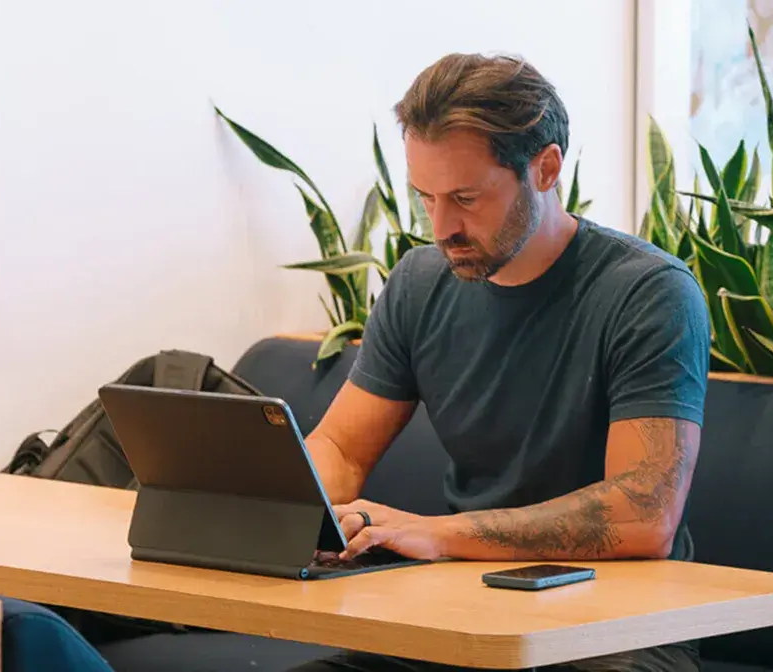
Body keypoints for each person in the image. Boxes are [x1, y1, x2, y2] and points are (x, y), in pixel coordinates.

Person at [290, 52, 711, 672]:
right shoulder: (418, 283)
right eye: (425, 197)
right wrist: (294, 518)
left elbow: (644, 514)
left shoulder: (650, 293)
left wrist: (435, 535)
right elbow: (344, 451)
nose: (442, 226)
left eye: (465, 197)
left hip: (615, 629)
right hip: (464, 611)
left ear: (545, 169)